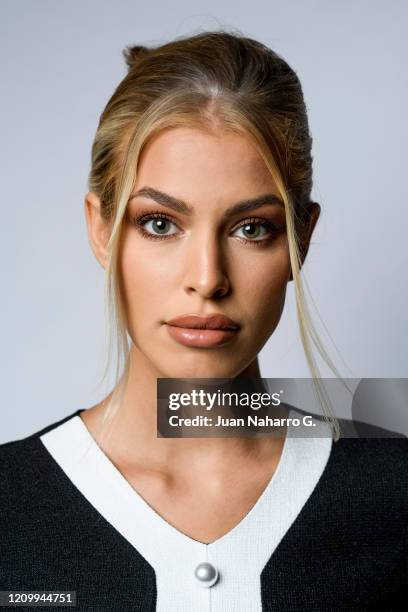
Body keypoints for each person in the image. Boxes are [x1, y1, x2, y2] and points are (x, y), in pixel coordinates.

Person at [1, 30, 406, 611]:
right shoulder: (10, 504)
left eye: (251, 228)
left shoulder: (392, 494)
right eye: (161, 223)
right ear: (100, 228)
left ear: (300, 238)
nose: (208, 277)